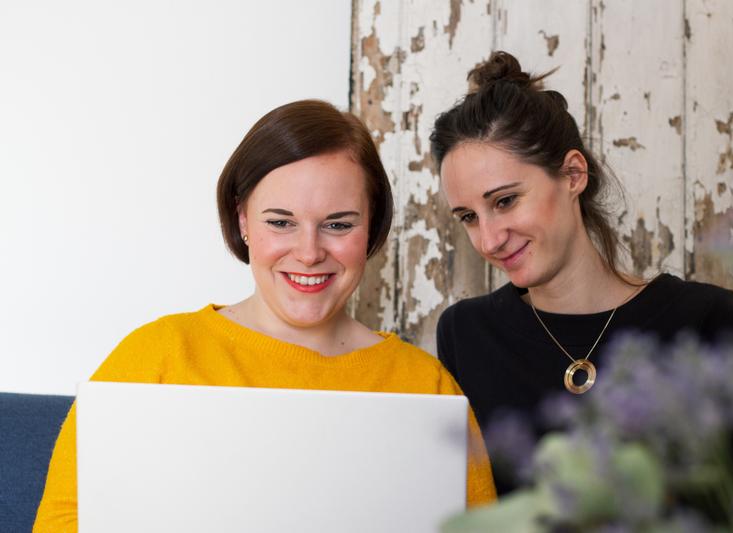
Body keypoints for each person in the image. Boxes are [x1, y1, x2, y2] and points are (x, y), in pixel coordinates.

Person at [33, 100, 496, 531]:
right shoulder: (157, 358)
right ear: (242, 222)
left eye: (338, 224)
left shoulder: (425, 386)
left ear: (371, 227)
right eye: (280, 222)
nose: (309, 252)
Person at [429, 51, 733, 493]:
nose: (489, 240)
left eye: (505, 201)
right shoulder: (466, 334)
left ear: (572, 175)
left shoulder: (702, 320)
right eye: (468, 216)